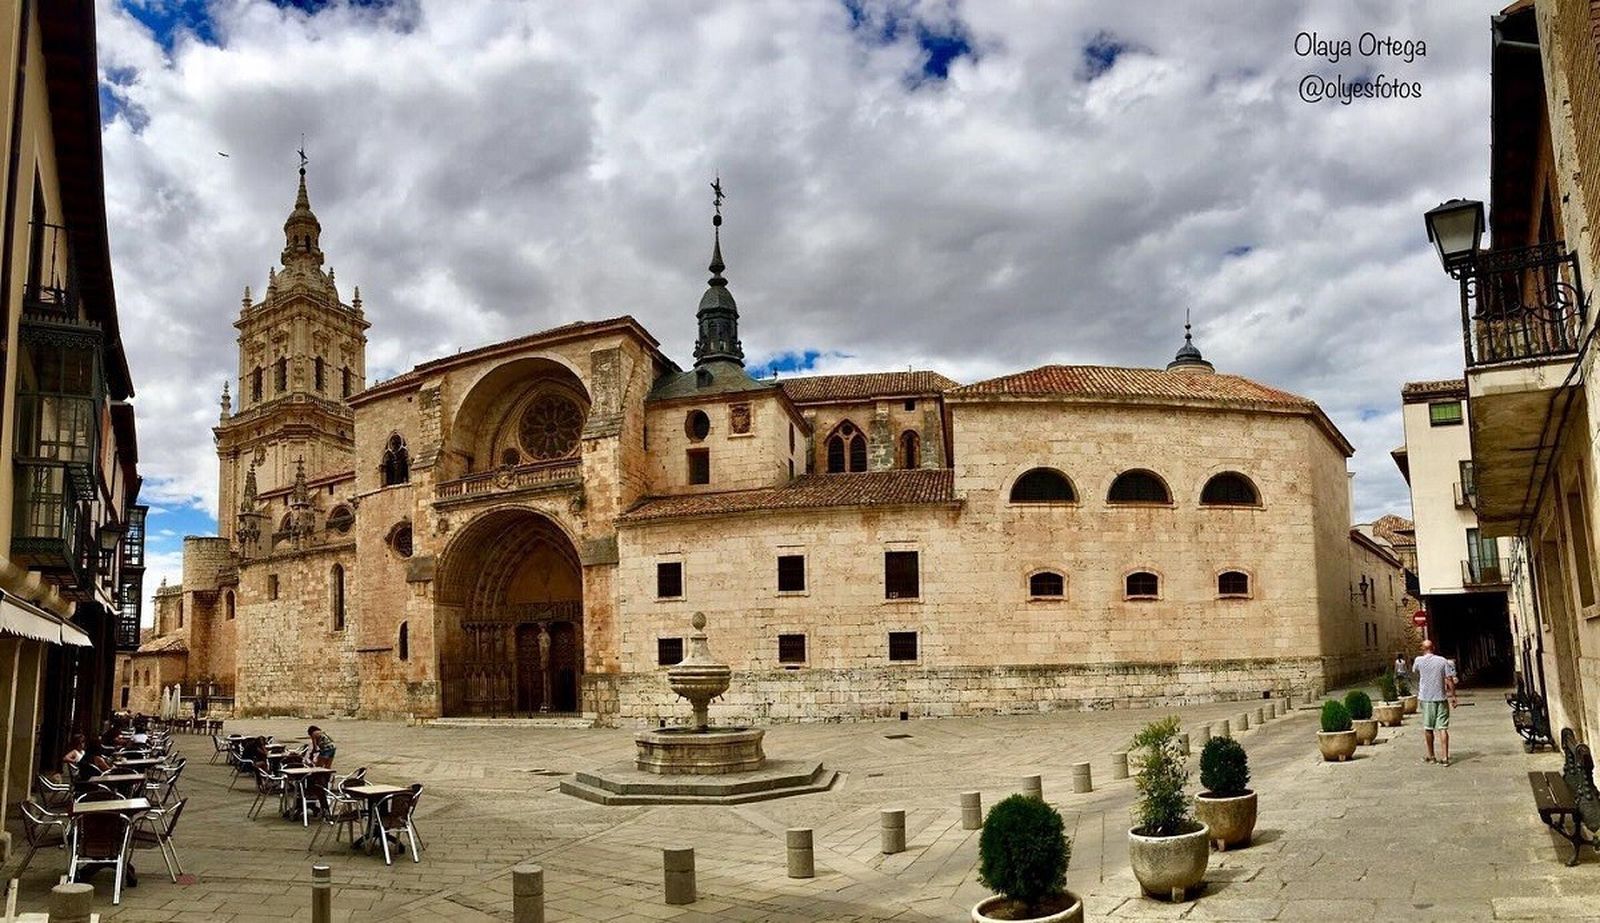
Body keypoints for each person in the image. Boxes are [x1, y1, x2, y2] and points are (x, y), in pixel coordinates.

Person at [1412, 639, 1458, 766]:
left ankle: (1431, 756)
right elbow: (1449, 679)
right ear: (1433, 648)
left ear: (1422, 649)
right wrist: (1453, 696)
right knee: (1442, 728)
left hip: (1426, 698)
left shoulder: (1418, 660)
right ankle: (1445, 757)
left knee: (1428, 728)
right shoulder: (1442, 660)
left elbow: (1415, 671)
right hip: (1441, 697)